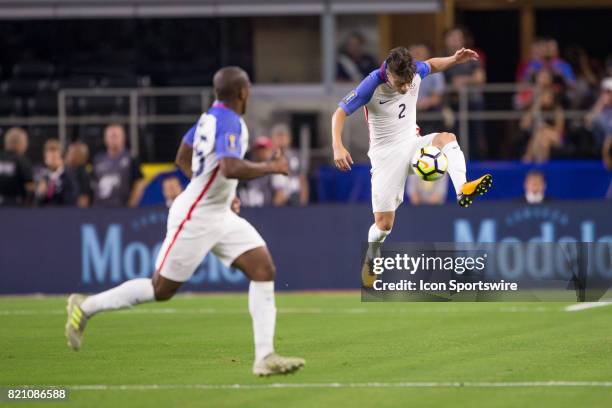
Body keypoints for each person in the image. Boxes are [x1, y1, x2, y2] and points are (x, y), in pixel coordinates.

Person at [65, 66, 305, 377]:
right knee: (161, 289)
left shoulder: (209, 117)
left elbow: (182, 157)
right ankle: (85, 307)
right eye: (248, 88)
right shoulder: (229, 120)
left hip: (217, 211)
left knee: (263, 268)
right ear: (242, 92)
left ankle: (264, 356)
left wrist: (215, 190)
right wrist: (271, 167)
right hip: (195, 216)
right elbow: (230, 167)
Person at [331, 46, 492, 286]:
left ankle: (463, 188)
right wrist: (337, 145)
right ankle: (372, 258)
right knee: (384, 225)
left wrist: (454, 60)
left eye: (409, 82)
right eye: (401, 83)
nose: (407, 88)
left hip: (413, 144)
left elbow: (433, 64)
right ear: (389, 73)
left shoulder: (413, 70)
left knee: (448, 139)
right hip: (385, 156)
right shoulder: (371, 84)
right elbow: (339, 113)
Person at [92, 124, 145, 207]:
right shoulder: (98, 159)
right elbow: (93, 183)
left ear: (123, 138)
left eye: (116, 135)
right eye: (111, 136)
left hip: (121, 208)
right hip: (99, 208)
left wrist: (131, 206)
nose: (113, 139)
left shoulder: (131, 158)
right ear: (105, 139)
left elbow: (139, 183)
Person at [408, 44, 447, 135]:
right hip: (408, 110)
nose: (416, 56)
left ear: (427, 55)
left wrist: (424, 103)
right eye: (414, 53)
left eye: (419, 53)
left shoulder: (435, 72)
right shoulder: (404, 73)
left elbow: (437, 98)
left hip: (429, 110)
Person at [269, 124, 309, 206]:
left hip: (294, 197)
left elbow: (303, 179)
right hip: (272, 198)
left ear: (289, 139)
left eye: (284, 136)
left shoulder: (297, 156)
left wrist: (303, 202)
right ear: (272, 139)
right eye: (278, 136)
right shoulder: (268, 157)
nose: (281, 139)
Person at [521, 89, 565, 163]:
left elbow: (560, 129)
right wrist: (535, 108)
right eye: (544, 97)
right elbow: (524, 125)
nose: (547, 99)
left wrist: (546, 127)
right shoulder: (536, 109)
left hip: (557, 137)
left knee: (541, 133)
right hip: (541, 137)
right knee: (543, 140)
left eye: (549, 97)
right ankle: (542, 164)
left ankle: (528, 158)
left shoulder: (557, 109)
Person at [34, 139, 78, 206]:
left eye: (55, 158)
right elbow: (36, 203)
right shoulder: (42, 176)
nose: (52, 161)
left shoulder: (70, 175)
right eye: (50, 158)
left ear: (61, 157)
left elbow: (72, 199)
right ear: (45, 158)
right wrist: (40, 194)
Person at [237, 136, 275, 207]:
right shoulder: (244, 167)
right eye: (258, 149)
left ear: (270, 151)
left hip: (268, 208)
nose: (261, 152)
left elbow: (279, 195)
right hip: (245, 207)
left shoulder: (275, 169)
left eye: (264, 149)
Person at [0, 127, 34, 206]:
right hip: (17, 206)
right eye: (25, 141)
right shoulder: (22, 161)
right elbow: (30, 187)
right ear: (20, 143)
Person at [65, 140, 92, 208]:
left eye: (70, 152)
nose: (67, 155)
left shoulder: (83, 173)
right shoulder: (66, 170)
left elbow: (84, 201)